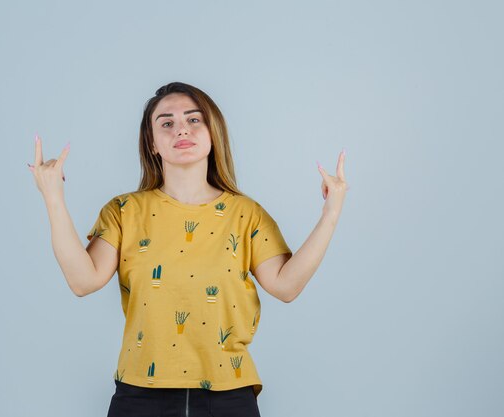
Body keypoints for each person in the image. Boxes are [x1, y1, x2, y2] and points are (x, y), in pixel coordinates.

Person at [28, 82, 348, 417]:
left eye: (194, 120)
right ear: (152, 143)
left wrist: (331, 212)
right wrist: (52, 197)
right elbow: (83, 280)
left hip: (228, 395)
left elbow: (286, 285)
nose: (181, 128)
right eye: (166, 123)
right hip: (140, 395)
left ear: (213, 133)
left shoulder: (246, 214)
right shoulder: (124, 211)